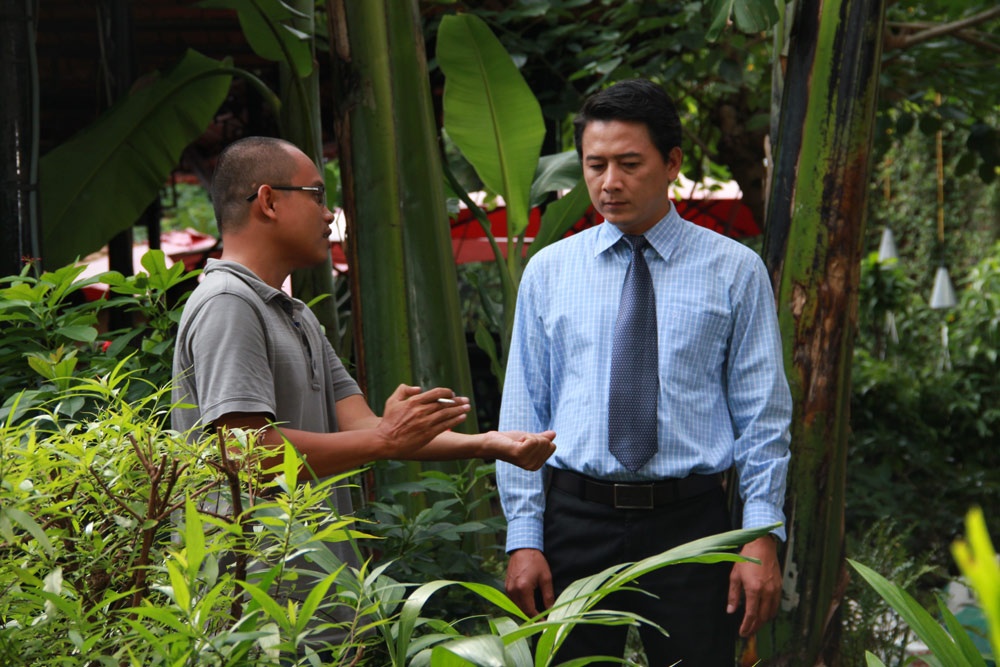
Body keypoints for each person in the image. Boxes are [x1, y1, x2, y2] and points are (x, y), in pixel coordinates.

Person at [171, 136, 556, 649]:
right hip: (257, 612)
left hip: (314, 604)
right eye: (316, 194)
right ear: (268, 201)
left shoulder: (295, 314)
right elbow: (247, 453)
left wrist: (487, 444)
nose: (329, 214)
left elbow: (366, 427)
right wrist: (385, 439)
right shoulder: (228, 303)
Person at [495, 79, 792, 665]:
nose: (610, 182)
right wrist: (524, 537)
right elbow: (523, 412)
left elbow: (763, 415)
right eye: (595, 165)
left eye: (629, 164)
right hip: (574, 519)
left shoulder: (735, 271)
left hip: (694, 523)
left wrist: (760, 532)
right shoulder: (549, 272)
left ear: (672, 163)